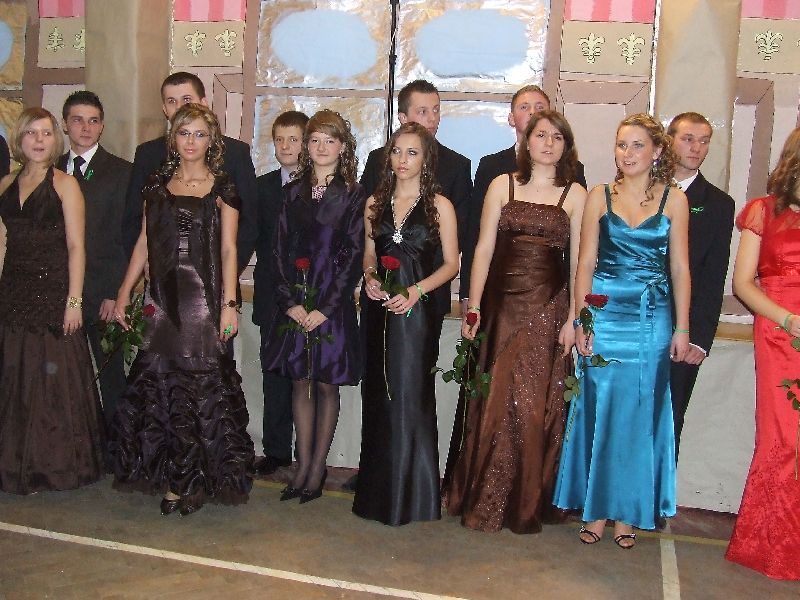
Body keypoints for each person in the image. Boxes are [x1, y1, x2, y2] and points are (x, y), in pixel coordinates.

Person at [444, 111, 586, 533]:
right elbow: (483, 249)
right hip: (500, 308)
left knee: (533, 403)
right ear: (526, 140)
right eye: (541, 135)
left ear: (566, 146)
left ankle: (525, 501)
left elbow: (580, 263)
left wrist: (575, 318)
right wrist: (472, 306)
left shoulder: (576, 194)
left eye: (557, 137)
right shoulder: (501, 185)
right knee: (494, 399)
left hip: (548, 310)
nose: (548, 143)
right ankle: (484, 495)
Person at [553, 114, 690, 548]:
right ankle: (596, 508)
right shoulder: (599, 196)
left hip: (651, 319)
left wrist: (683, 327)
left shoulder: (675, 200)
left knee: (639, 413)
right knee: (599, 408)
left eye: (636, 145)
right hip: (604, 315)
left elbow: (680, 268)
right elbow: (585, 263)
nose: (626, 154)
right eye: (621, 145)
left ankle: (629, 512)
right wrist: (581, 319)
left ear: (657, 151)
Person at [112, 103, 254, 516]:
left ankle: (198, 480)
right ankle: (175, 478)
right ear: (173, 138)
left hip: (204, 300)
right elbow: (143, 242)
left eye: (200, 134)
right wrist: (124, 293)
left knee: (202, 394)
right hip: (162, 298)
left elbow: (229, 250)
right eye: (184, 132)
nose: (191, 141)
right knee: (162, 391)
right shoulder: (157, 184)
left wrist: (229, 305)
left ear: (212, 142)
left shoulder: (223, 186)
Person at [352, 122, 459, 525]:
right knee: (379, 397)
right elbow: (369, 253)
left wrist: (416, 291)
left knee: (410, 397)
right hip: (378, 311)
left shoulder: (440, 205)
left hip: (417, 314)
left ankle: (413, 498)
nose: (402, 159)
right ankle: (377, 495)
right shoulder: (375, 202)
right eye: (396, 151)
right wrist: (369, 277)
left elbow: (451, 265)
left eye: (412, 152)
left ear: (426, 159)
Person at [262, 109, 365, 504]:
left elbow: (353, 256)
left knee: (325, 384)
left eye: (330, 140)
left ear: (343, 147)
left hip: (330, 306)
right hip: (296, 304)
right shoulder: (292, 192)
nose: (322, 147)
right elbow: (277, 252)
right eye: (315, 140)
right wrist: (290, 303)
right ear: (307, 146)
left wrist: (326, 308)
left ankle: (318, 469)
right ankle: (302, 467)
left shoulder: (353, 194)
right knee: (299, 382)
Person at [0, 107, 106, 493]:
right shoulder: (5, 183)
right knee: (15, 375)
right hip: (14, 292)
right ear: (20, 139)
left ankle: (53, 465)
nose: (39, 140)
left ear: (55, 139)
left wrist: (74, 301)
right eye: (31, 133)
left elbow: (77, 246)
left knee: (52, 382)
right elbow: (2, 242)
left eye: (46, 133)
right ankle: (14, 463)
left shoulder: (66, 184)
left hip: (53, 293)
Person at [725, 127, 800, 580]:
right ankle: (774, 545)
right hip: (779, 332)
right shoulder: (764, 210)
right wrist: (788, 320)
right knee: (784, 438)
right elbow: (742, 282)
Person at [121, 71, 257, 275]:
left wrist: (225, 272)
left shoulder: (235, 153)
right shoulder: (148, 154)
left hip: (216, 275)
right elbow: (133, 218)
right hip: (161, 274)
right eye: (171, 101)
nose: (179, 108)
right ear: (164, 109)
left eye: (186, 99)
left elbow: (249, 222)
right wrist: (146, 265)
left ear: (203, 103)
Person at [459, 85, 587, 303]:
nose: (533, 112)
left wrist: (573, 306)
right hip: (497, 288)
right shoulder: (492, 168)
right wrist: (468, 295)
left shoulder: (575, 174)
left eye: (539, 107)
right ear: (511, 118)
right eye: (525, 107)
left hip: (552, 291)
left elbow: (576, 251)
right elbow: (476, 235)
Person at [57, 91, 131, 436]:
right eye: (77, 120)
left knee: (111, 374)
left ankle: (117, 446)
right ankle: (73, 443)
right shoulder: (50, 170)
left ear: (101, 127)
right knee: (62, 372)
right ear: (65, 125)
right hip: (57, 290)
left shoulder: (122, 172)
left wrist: (117, 292)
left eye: (93, 121)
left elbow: (127, 237)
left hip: (104, 292)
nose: (85, 128)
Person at [666, 112, 735, 458]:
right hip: (634, 321)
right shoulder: (644, 190)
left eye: (704, 141)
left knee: (670, 418)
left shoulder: (719, 204)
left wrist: (700, 338)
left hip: (684, 330)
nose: (696, 148)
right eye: (688, 139)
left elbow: (713, 276)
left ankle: (659, 492)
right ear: (669, 141)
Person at [253, 110, 309, 476]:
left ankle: (308, 453)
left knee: (306, 379)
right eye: (279, 140)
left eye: (293, 139)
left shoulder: (321, 187)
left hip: (308, 296)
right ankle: (275, 451)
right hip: (272, 295)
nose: (286, 146)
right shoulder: (262, 187)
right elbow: (252, 240)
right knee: (273, 375)